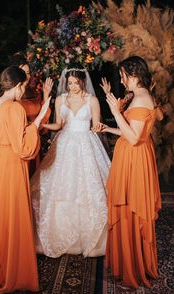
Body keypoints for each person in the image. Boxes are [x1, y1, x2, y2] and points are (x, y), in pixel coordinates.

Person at [0, 65, 51, 292]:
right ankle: (13, 270)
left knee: (1, 213)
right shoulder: (15, 108)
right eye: (24, 87)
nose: (24, 92)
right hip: (11, 163)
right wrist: (39, 118)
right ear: (18, 86)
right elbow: (23, 147)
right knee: (13, 214)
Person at [30, 63, 111, 258]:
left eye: (76, 83)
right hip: (64, 142)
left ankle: (91, 239)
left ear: (83, 81)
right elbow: (58, 124)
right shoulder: (60, 99)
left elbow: (96, 126)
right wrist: (41, 124)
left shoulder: (92, 100)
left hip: (86, 143)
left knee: (87, 189)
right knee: (60, 188)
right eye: (69, 83)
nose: (72, 86)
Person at [97, 56, 162, 288]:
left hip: (134, 160)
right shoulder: (141, 96)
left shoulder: (141, 100)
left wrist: (115, 112)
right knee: (127, 209)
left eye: (123, 76)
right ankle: (131, 264)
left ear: (133, 75)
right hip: (135, 156)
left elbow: (134, 138)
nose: (122, 81)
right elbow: (131, 132)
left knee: (130, 210)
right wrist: (109, 128)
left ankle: (133, 272)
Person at [12, 53, 53, 175]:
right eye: (23, 72)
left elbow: (43, 116)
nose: (27, 76)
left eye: (28, 72)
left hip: (34, 139)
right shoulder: (11, 95)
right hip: (19, 144)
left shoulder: (33, 92)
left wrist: (46, 94)